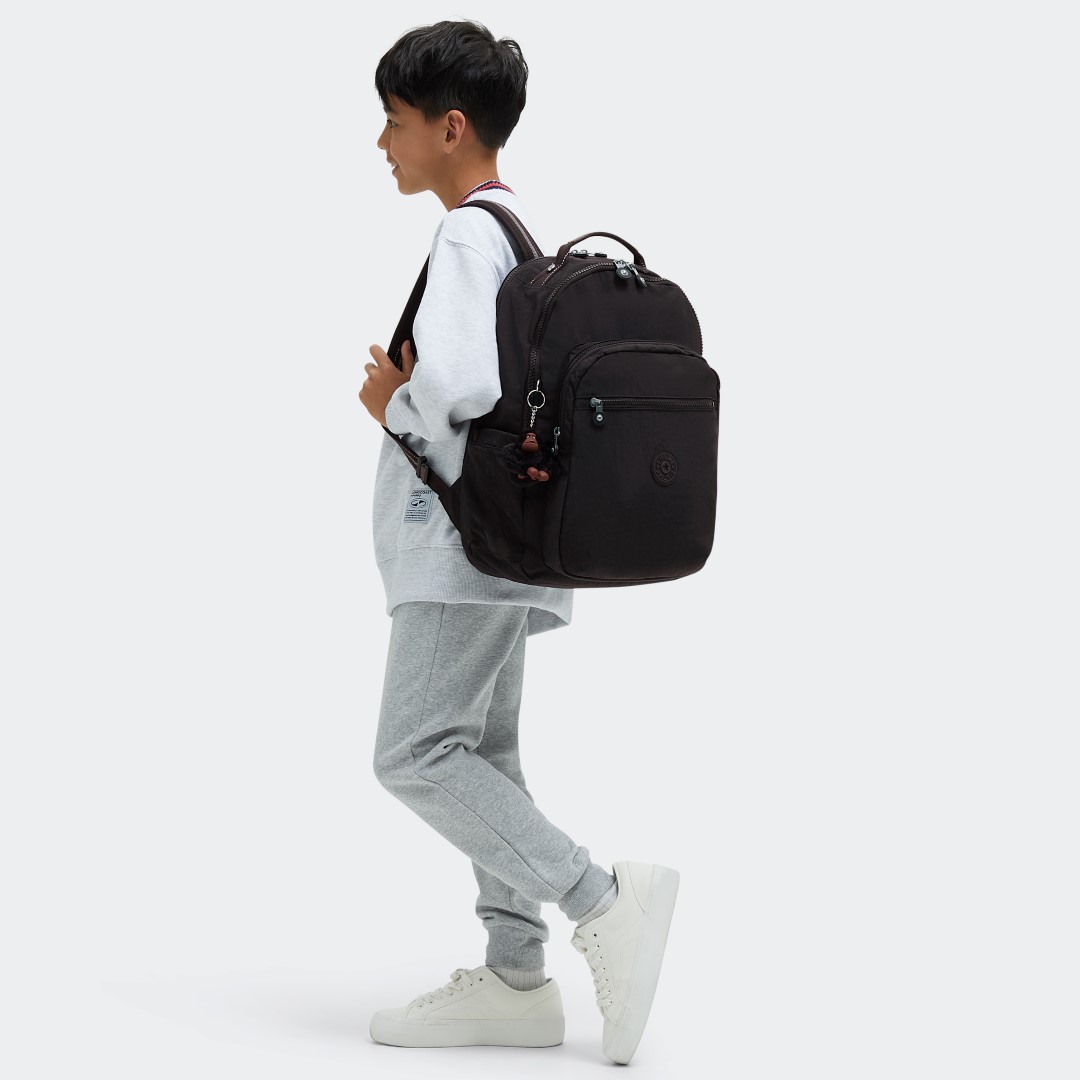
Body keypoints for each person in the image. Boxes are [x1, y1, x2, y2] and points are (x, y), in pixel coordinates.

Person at [358, 19, 680, 1065]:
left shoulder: (465, 236)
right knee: (483, 755)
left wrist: (392, 404)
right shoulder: (514, 235)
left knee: (416, 752)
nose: (383, 143)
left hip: (461, 550)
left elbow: (457, 389)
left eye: (395, 122)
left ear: (451, 128)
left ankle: (603, 901)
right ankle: (515, 977)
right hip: (509, 548)